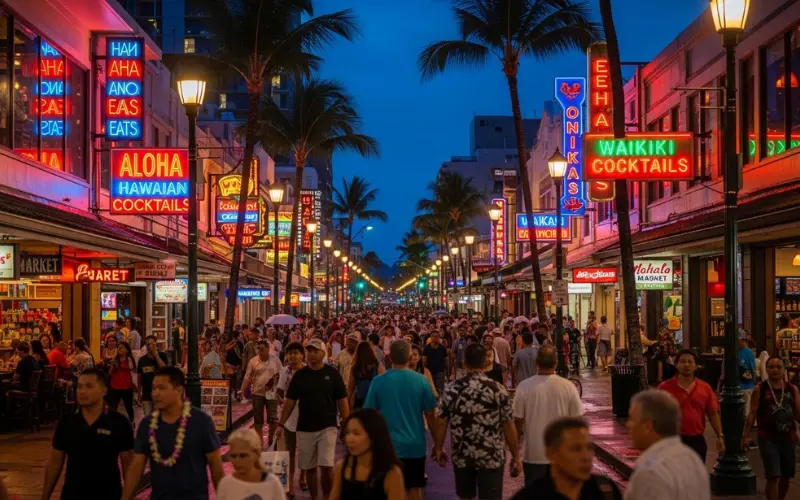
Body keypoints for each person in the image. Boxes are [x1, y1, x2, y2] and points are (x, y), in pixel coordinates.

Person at [122, 367, 224, 500]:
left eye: (162, 388)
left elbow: (215, 464)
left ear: (179, 390)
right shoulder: (147, 425)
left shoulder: (201, 422)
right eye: (153, 388)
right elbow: (137, 466)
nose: (155, 394)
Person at [434, 343, 521, 500]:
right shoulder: (497, 389)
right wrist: (515, 455)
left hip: (462, 453)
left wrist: (438, 447)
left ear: (464, 363)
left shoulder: (452, 389)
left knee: (466, 497)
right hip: (491, 455)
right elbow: (508, 425)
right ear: (486, 363)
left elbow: (441, 421)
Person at [41, 368, 134, 500]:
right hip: (72, 494)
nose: (82, 391)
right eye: (79, 386)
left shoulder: (119, 423)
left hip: (108, 494)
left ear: (104, 390)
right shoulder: (68, 423)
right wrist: (45, 496)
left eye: (89, 386)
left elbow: (128, 466)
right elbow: (55, 463)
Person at [275, 338, 349, 500]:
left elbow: (342, 400)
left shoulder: (332, 373)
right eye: (309, 351)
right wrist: (280, 424)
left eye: (315, 351)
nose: (312, 354)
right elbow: (289, 402)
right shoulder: (300, 376)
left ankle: (328, 496)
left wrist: (347, 423)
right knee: (309, 467)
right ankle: (315, 497)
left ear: (323, 353)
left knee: (327, 465)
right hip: (305, 427)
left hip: (328, 426)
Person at [364, 340, 437, 500]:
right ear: (410, 356)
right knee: (415, 488)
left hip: (386, 447)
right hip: (414, 445)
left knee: (385, 489)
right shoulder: (421, 380)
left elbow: (368, 415)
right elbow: (431, 415)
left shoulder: (378, 381)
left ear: (389, 357)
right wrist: (438, 445)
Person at [513, 345, 584, 485]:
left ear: (536, 363)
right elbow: (577, 422)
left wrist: (516, 454)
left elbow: (517, 422)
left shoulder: (524, 386)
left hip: (533, 455)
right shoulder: (568, 386)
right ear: (556, 363)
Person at [625, 390, 710, 500]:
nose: (628, 424)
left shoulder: (650, 472)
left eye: (632, 419)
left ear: (647, 426)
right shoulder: (693, 459)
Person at [510, 417, 622, 500]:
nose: (586, 456)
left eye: (589, 448)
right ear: (551, 454)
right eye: (576, 449)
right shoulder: (529, 497)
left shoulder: (605, 490)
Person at [742, 357, 800, 500]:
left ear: (783, 369)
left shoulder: (792, 389)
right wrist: (746, 436)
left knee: (786, 477)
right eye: (771, 367)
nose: (775, 370)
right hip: (767, 437)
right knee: (773, 476)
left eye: (778, 367)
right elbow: (752, 413)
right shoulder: (760, 389)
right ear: (766, 369)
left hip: (789, 437)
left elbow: (798, 413)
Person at [658, 349, 723, 461]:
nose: (686, 365)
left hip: (696, 441)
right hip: (672, 440)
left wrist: (720, 436)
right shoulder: (665, 388)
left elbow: (713, 414)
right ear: (676, 364)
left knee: (696, 476)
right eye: (682, 361)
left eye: (690, 362)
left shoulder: (705, 388)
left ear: (696, 365)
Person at [329, 409, 405, 500]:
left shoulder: (392, 473)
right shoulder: (341, 467)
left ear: (373, 436)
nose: (349, 439)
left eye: (356, 433)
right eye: (347, 433)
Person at [216, 428, 286, 500]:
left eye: (243, 455)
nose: (237, 460)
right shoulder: (225, 484)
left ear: (256, 454)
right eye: (233, 456)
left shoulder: (272, 483)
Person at [240, 339, 283, 448]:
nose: (259, 351)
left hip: (272, 394)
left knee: (272, 419)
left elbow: (282, 374)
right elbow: (247, 377)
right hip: (257, 394)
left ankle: (271, 440)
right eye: (258, 349)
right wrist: (242, 390)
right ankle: (259, 443)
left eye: (262, 349)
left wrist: (277, 385)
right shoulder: (253, 361)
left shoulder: (275, 360)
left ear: (268, 349)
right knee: (258, 420)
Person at [277, 342, 306, 498]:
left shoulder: (308, 372)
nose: (292, 356)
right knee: (290, 452)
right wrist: (281, 401)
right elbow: (279, 391)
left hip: (305, 417)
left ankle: (302, 477)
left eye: (296, 353)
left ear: (302, 355)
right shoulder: (284, 372)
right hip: (288, 418)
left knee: (305, 451)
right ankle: (290, 486)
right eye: (290, 353)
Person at [348, 341, 385, 409]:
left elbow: (350, 388)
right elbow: (383, 386)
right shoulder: (378, 366)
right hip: (374, 401)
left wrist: (347, 403)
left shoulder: (355, 368)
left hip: (360, 401)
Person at [137, 335, 168, 415]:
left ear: (155, 344)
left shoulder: (162, 355)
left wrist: (156, 355)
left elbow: (164, 369)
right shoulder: (142, 360)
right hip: (146, 394)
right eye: (148, 344)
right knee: (148, 417)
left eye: (152, 344)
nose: (150, 346)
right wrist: (139, 393)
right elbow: (139, 377)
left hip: (160, 393)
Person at [107, 341, 137, 425]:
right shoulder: (115, 360)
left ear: (127, 350)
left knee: (128, 406)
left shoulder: (129, 359)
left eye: (122, 347)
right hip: (115, 386)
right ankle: (113, 423)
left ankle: (131, 420)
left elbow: (132, 370)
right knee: (113, 407)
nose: (119, 348)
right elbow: (110, 373)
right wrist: (113, 366)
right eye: (119, 347)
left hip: (127, 387)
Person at [422, 330, 448, 396]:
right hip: (430, 373)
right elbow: (424, 361)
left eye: (436, 336)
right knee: (430, 391)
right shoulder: (426, 348)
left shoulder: (442, 348)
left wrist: (448, 372)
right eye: (433, 336)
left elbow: (446, 361)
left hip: (440, 372)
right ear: (430, 337)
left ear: (439, 337)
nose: (435, 338)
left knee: (440, 391)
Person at [738, 333, 757, 418]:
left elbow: (753, 368)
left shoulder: (748, 352)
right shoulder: (737, 351)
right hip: (739, 383)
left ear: (743, 340)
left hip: (747, 384)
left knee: (747, 407)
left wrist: (753, 380)